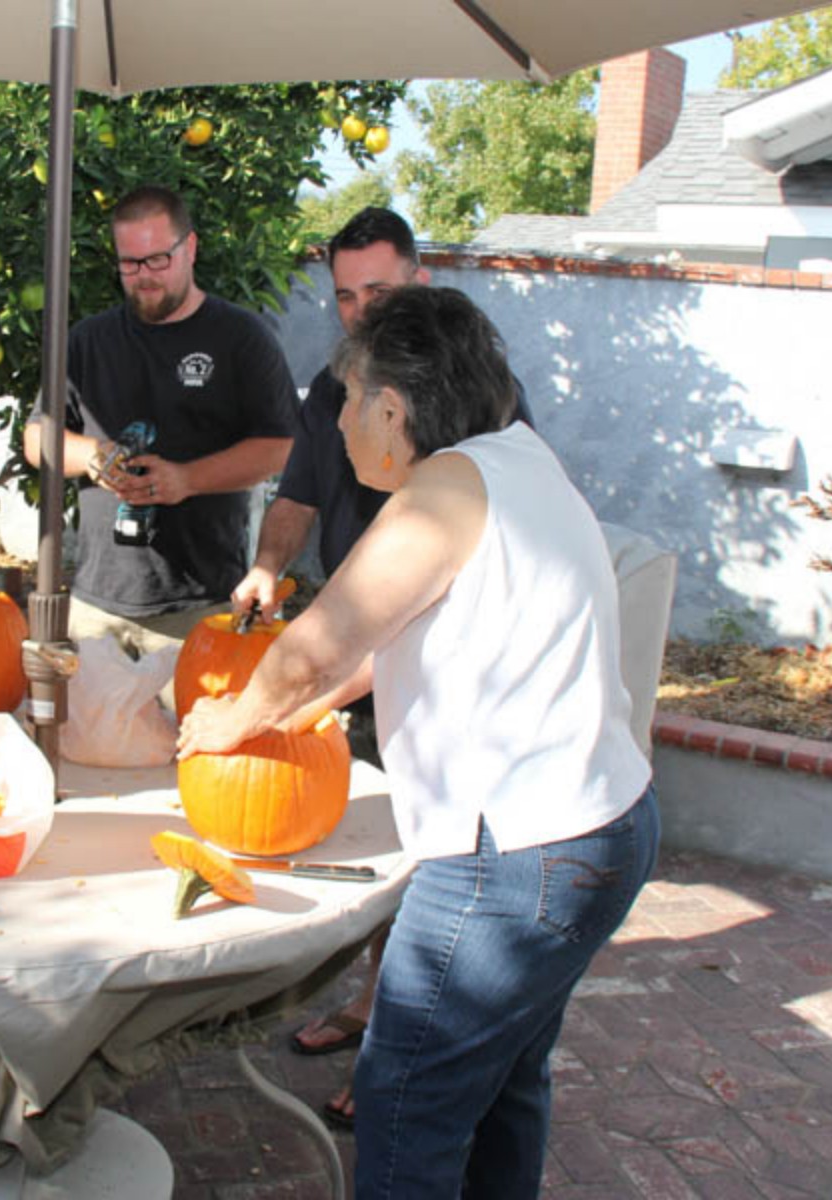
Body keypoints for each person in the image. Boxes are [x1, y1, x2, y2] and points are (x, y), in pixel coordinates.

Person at [178, 285, 660, 1199]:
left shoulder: (444, 490)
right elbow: (381, 645)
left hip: (515, 860)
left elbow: (320, 640)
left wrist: (231, 720)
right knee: (507, 1083)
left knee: (404, 1099)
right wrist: (292, 710)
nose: (341, 424)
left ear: (391, 409)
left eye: (347, 401)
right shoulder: (519, 462)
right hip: (601, 830)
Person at [232, 209, 535, 1126]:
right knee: (374, 834)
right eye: (347, 296)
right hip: (368, 642)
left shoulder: (475, 419)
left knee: (427, 855)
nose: (362, 312)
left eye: (382, 293)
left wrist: (253, 706)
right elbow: (299, 493)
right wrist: (268, 568)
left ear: (422, 284)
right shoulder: (335, 389)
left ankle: (397, 1044)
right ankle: (378, 1006)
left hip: (443, 685)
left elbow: (409, 603)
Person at [21, 185, 296, 659]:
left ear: (190, 248)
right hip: (95, 605)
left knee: (193, 733)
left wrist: (186, 479)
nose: (143, 277)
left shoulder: (242, 338)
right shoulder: (87, 341)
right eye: (129, 264)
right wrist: (93, 456)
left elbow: (281, 446)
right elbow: (35, 438)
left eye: (157, 260)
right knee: (90, 735)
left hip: (200, 605)